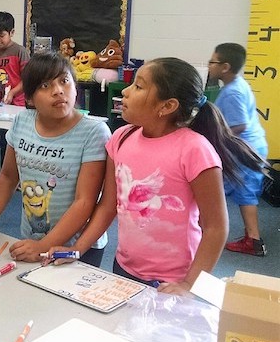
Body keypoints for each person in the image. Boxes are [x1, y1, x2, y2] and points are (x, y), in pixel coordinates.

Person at [47, 57, 266, 295]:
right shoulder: (121, 138)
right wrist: (78, 249)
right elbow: (108, 206)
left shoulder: (195, 150)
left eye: (139, 87)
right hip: (124, 268)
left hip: (174, 280)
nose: (127, 92)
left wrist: (188, 285)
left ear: (167, 106)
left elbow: (216, 227)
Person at [0, 52, 111, 265]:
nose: (58, 91)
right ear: (29, 98)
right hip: (33, 236)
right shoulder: (22, 121)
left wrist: (44, 246)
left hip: (75, 245)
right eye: (45, 86)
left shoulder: (93, 132)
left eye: (64, 81)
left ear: (75, 86)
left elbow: (84, 201)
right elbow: (8, 177)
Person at [209, 43, 268, 256]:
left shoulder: (232, 92)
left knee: (218, 188)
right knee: (245, 192)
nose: (209, 66)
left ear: (225, 67)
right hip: (250, 148)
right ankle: (252, 239)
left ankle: (251, 239)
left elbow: (239, 124)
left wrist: (216, 137)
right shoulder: (237, 85)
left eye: (212, 62)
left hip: (244, 150)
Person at [0, 11, 29, 106]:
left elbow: (27, 80)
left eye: (1, 36)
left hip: (17, 104)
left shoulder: (20, 52)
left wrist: (12, 93)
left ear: (11, 32)